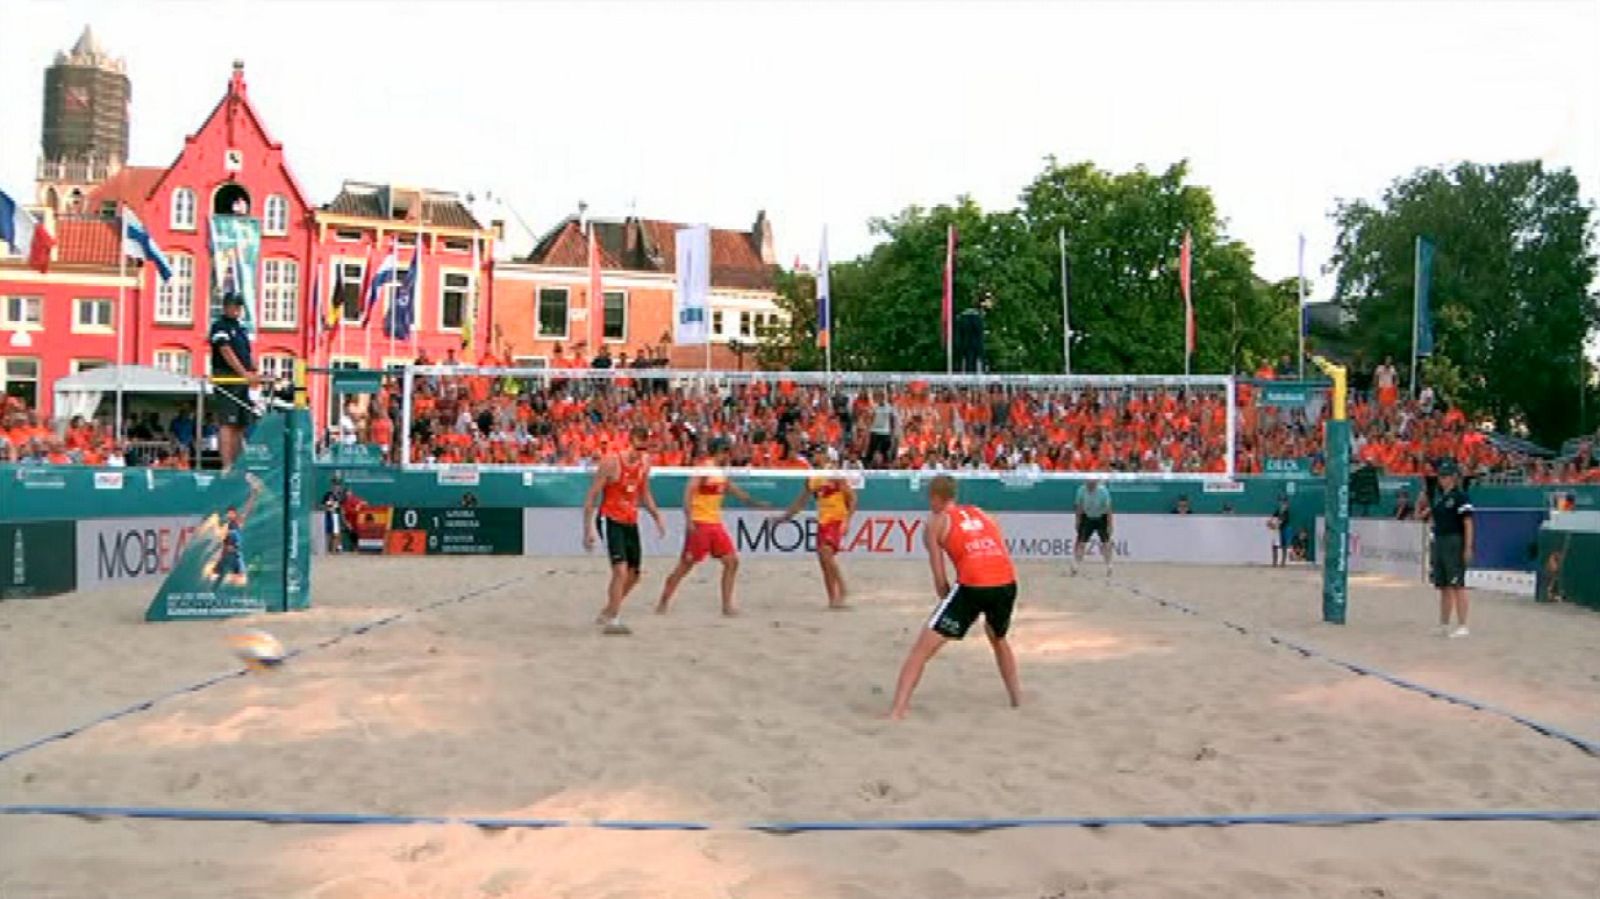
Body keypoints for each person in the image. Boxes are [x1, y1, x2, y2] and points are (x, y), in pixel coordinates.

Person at [888, 475, 1022, 720]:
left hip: (974, 583)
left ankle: (897, 711)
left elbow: (939, 577)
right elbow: (998, 545)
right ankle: (1016, 699)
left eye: (930, 498)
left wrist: (950, 599)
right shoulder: (981, 513)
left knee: (920, 651)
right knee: (998, 638)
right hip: (1006, 582)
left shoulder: (936, 521)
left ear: (936, 498)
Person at [656, 439, 769, 617]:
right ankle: (663, 602)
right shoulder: (704, 469)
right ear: (718, 452)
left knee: (732, 562)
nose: (729, 455)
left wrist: (756, 503)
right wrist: (689, 520)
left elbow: (736, 491)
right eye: (726, 452)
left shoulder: (720, 473)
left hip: (715, 524)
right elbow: (688, 492)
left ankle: (727, 605)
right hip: (700, 523)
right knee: (685, 566)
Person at [582, 425, 667, 634]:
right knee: (619, 570)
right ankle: (614, 618)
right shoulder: (611, 463)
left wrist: (657, 516)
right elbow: (592, 496)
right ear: (631, 442)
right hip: (610, 518)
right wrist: (588, 530)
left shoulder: (645, 464)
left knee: (634, 574)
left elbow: (644, 493)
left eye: (645, 449)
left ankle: (609, 610)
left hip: (630, 519)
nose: (641, 454)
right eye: (639, 448)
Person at [772, 446, 857, 608]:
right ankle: (833, 600)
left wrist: (847, 521)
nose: (814, 456)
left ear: (825, 456)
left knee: (826, 553)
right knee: (823, 562)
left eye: (818, 453)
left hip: (836, 519)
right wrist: (784, 518)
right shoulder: (812, 477)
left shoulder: (835, 474)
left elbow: (852, 499)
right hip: (822, 521)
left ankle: (843, 588)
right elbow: (800, 502)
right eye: (814, 453)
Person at [209, 292, 262, 469]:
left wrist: (254, 369)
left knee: (240, 423)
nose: (237, 310)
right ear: (226, 307)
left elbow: (245, 353)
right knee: (227, 423)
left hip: (241, 381)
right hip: (227, 377)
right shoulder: (220, 326)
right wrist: (244, 373)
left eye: (239, 307)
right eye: (234, 306)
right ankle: (227, 464)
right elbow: (226, 351)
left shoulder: (240, 328)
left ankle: (238, 463)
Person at [1421, 461, 1474, 637]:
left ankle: (1463, 624)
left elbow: (1468, 523)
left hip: (1454, 540)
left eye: (1445, 476)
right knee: (1443, 585)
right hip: (1440, 539)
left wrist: (1467, 547)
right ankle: (1443, 624)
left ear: (1453, 478)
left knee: (1457, 583)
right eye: (1440, 476)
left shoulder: (1461, 497)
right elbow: (1428, 518)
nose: (1441, 479)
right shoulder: (1439, 498)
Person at [1072, 477, 1114, 577]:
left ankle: (1109, 565)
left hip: (1101, 517)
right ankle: (1075, 565)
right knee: (1081, 542)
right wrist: (1077, 521)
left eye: (1093, 483)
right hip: (1087, 517)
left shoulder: (1103, 491)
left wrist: (1110, 524)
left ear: (1096, 483)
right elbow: (1079, 507)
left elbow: (1109, 508)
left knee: (1106, 543)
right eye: (1088, 483)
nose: (1090, 485)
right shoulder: (1081, 490)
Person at [1270, 495, 1293, 567]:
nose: (1282, 503)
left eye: (1284, 502)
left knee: (1284, 546)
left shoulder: (1286, 512)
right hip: (1277, 530)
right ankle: (1274, 562)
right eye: (1281, 501)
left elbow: (1283, 520)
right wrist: (1270, 522)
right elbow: (1273, 517)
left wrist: (1276, 524)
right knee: (1274, 546)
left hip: (1283, 529)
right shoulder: (1278, 510)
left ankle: (1283, 562)